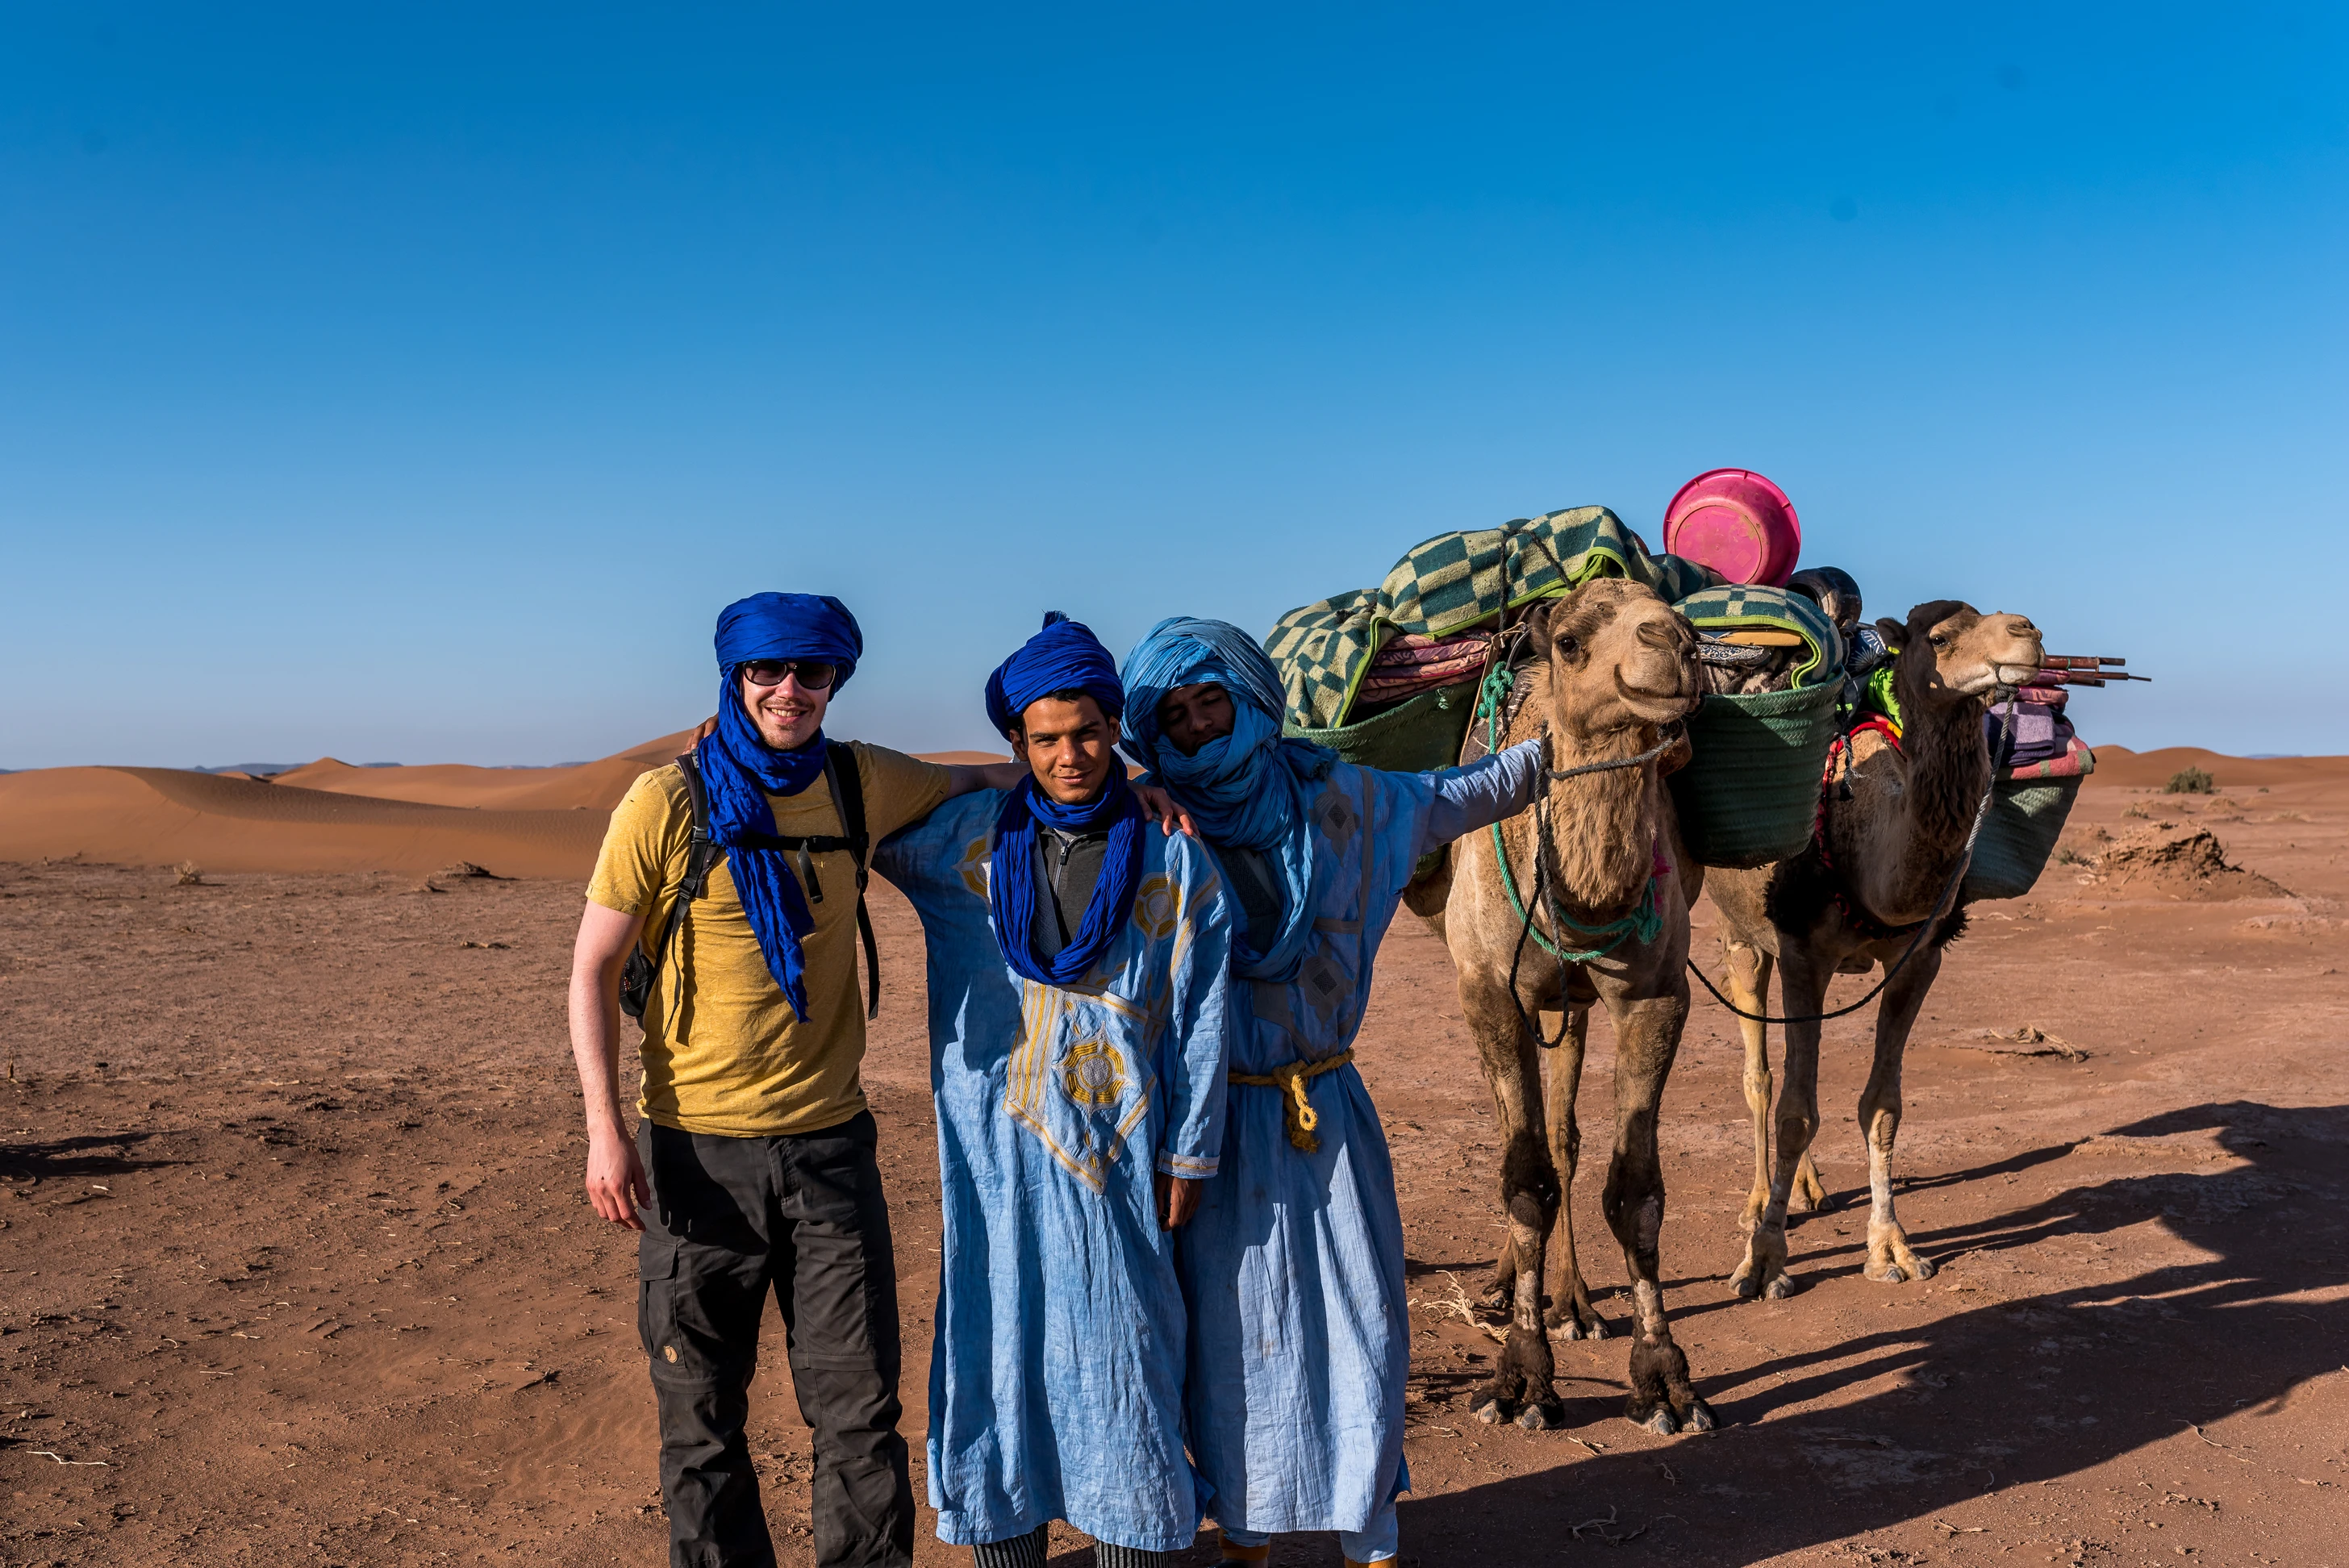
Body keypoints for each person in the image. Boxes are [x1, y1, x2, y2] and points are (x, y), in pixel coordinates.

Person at [569, 591, 1031, 1568]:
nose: (788, 690)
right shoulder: (667, 801)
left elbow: (989, 775)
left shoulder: (861, 782)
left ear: (835, 681)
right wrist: (603, 1132)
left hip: (829, 1148)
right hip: (693, 1152)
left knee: (858, 1410)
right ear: (735, 678)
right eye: (767, 672)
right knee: (700, 1418)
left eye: (809, 673)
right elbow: (592, 968)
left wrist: (1107, 774)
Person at [1118, 618, 1547, 1568]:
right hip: (1203, 1130)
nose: (1196, 729)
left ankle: (1370, 1533)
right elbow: (1037, 811)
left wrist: (1571, 746)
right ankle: (1247, 1530)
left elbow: (1464, 794)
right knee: (1231, 1342)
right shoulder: (1144, 830)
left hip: (1326, 1114)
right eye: (1175, 718)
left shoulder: (1348, 800)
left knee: (1365, 1325)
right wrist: (1122, 788)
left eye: (1209, 702)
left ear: (1249, 695)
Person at [872, 612, 1237, 1568]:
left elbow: (1200, 1011)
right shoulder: (961, 844)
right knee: (998, 1357)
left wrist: (1190, 1149)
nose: (1069, 756)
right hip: (993, 1161)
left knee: (1129, 1360)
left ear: (1113, 730)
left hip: (1120, 1153)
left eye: (1086, 734)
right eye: (1044, 739)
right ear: (1015, 745)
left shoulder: (1171, 851)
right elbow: (836, 815)